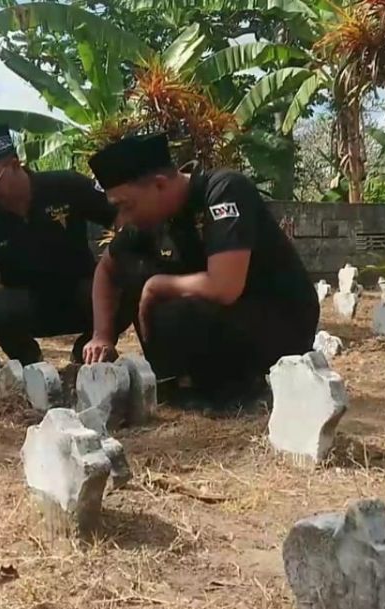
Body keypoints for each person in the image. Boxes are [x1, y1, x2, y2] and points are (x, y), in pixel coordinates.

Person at [82, 133, 319, 408]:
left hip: (279, 323)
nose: (122, 219)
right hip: (221, 321)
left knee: (172, 304)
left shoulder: (223, 191)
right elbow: (107, 270)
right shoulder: (152, 217)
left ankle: (238, 389)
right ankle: (178, 381)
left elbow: (225, 287)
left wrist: (158, 285)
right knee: (135, 272)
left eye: (126, 206)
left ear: (159, 185)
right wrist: (102, 335)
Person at [0, 125, 117, 364]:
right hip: (28, 305)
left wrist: (119, 255)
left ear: (15, 164)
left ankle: (86, 353)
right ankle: (31, 364)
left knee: (124, 289)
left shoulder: (66, 186)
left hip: (84, 297)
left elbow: (122, 214)